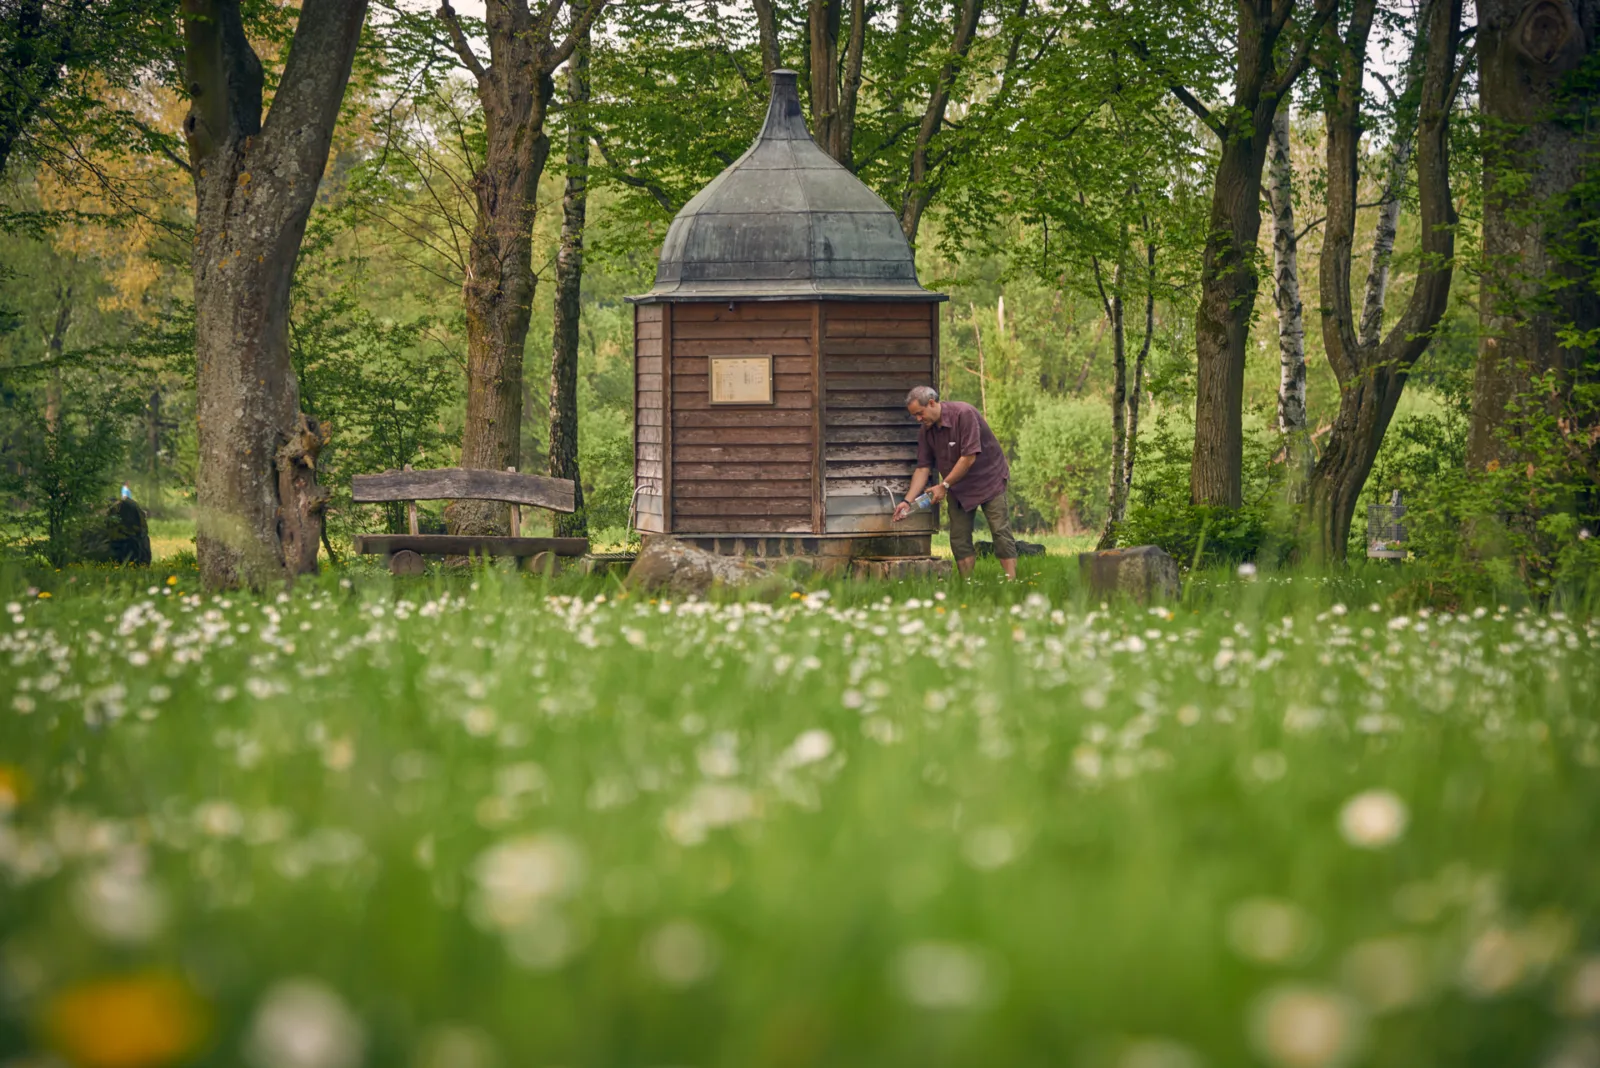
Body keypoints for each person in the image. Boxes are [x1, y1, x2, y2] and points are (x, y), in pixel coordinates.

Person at [892, 385, 1017, 579]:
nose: (918, 419)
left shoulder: (964, 414)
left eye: (920, 413)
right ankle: (967, 583)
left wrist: (944, 486)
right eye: (914, 415)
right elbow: (923, 468)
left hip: (988, 479)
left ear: (931, 403)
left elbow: (968, 457)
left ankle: (1012, 580)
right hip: (957, 485)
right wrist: (907, 501)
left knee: (999, 531)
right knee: (959, 537)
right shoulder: (926, 431)